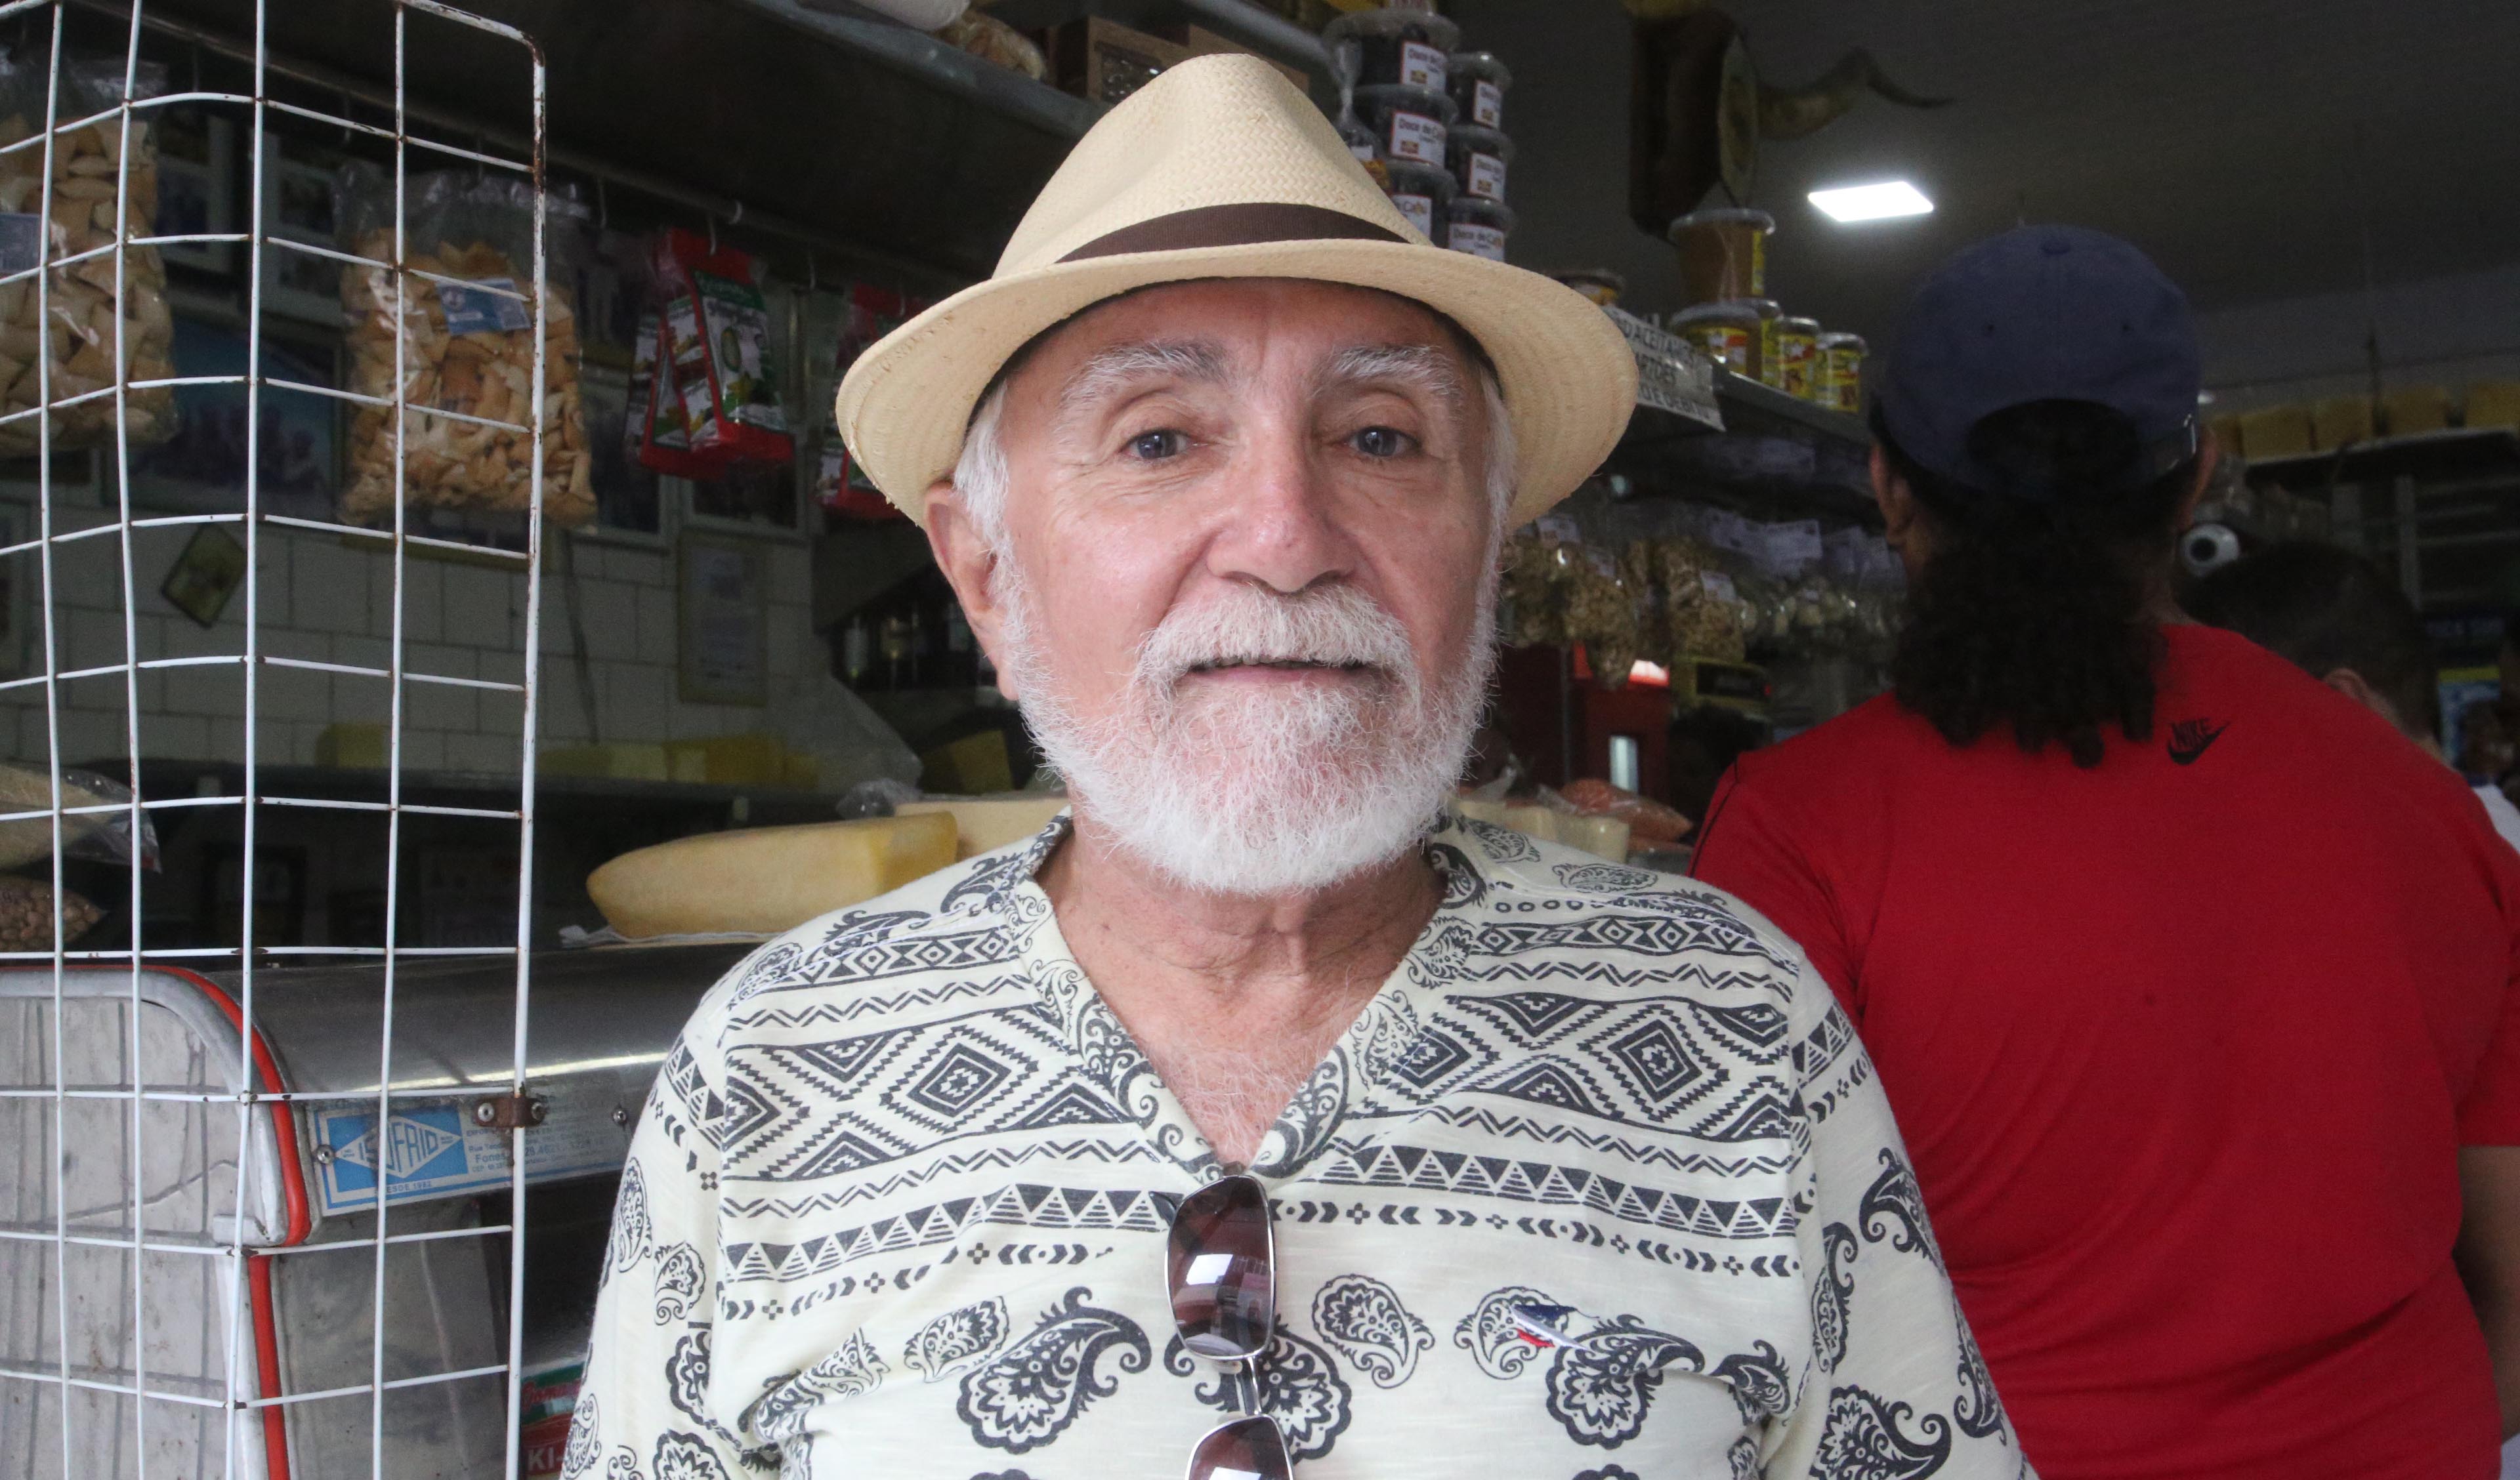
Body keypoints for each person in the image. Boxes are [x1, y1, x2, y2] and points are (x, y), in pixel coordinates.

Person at [570, 56, 2026, 1480]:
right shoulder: (773, 1069)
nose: (1284, 535)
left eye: (1380, 437)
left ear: (1488, 556)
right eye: (1160, 440)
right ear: (986, 578)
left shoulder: (1736, 1024)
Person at [1689, 226, 2520, 1480]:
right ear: (2195, 486)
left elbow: (1728, 1294)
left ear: (1889, 487)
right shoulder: (2416, 803)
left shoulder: (1799, 826)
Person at [2186, 538, 2520, 850]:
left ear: (2341, 705)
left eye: (2235, 727)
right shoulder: (2466, 840)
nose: (2221, 765)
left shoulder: (2446, 863)